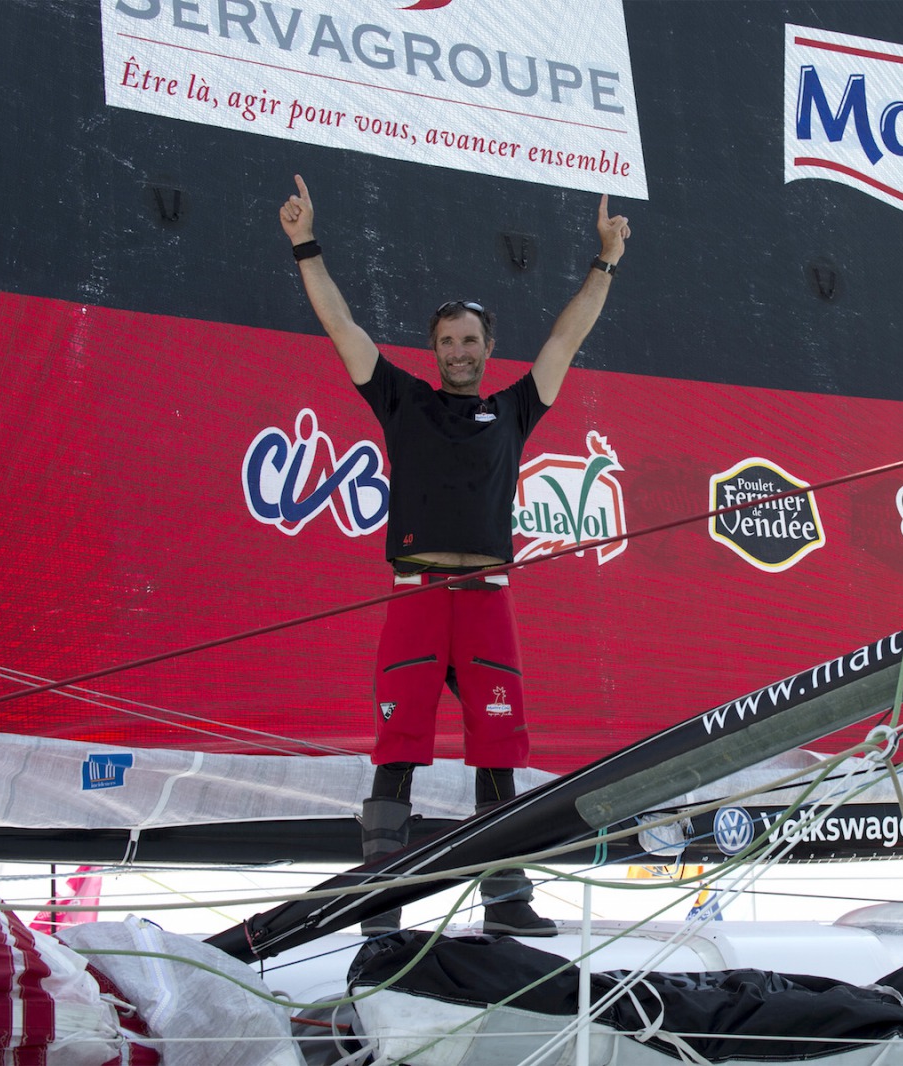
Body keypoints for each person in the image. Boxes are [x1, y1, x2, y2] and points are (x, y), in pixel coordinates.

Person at [278, 174, 630, 937]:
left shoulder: (515, 407)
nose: (460, 352)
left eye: (471, 341)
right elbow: (340, 324)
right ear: (433, 349)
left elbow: (567, 336)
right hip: (414, 598)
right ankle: (379, 908)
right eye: (447, 342)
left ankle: (506, 900)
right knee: (396, 748)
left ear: (488, 347)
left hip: (486, 603)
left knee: (498, 750)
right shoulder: (400, 397)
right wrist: (305, 242)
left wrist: (604, 260)